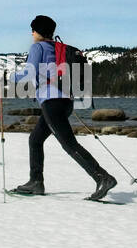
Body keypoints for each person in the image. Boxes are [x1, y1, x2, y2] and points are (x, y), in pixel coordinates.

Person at [11, 14, 117, 200]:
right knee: (35, 139)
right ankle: (36, 182)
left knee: (69, 145)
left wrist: (9, 78)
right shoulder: (57, 48)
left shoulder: (38, 47)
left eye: (33, 30)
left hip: (52, 103)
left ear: (38, 31)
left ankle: (103, 177)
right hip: (65, 102)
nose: (32, 33)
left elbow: (29, 73)